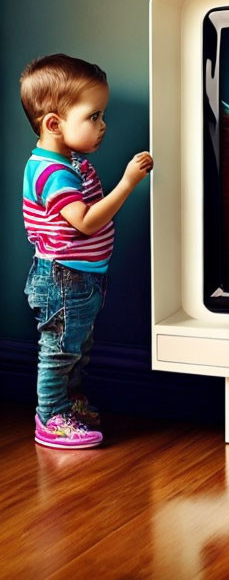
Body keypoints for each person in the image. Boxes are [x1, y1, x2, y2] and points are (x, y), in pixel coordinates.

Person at [20, 54, 153, 449]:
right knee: (60, 351)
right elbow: (87, 221)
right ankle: (50, 417)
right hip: (63, 277)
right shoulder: (53, 172)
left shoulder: (69, 161)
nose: (103, 125)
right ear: (54, 124)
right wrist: (128, 183)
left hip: (81, 276)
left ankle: (69, 404)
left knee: (77, 348)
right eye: (93, 116)